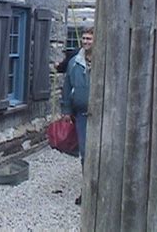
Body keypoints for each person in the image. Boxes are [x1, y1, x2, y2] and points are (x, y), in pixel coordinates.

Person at [61, 27, 94, 205]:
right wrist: (66, 110)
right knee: (85, 153)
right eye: (84, 38)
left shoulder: (103, 61)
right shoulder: (75, 62)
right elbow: (66, 88)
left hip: (103, 115)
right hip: (81, 115)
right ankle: (87, 190)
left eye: (89, 39)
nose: (86, 42)